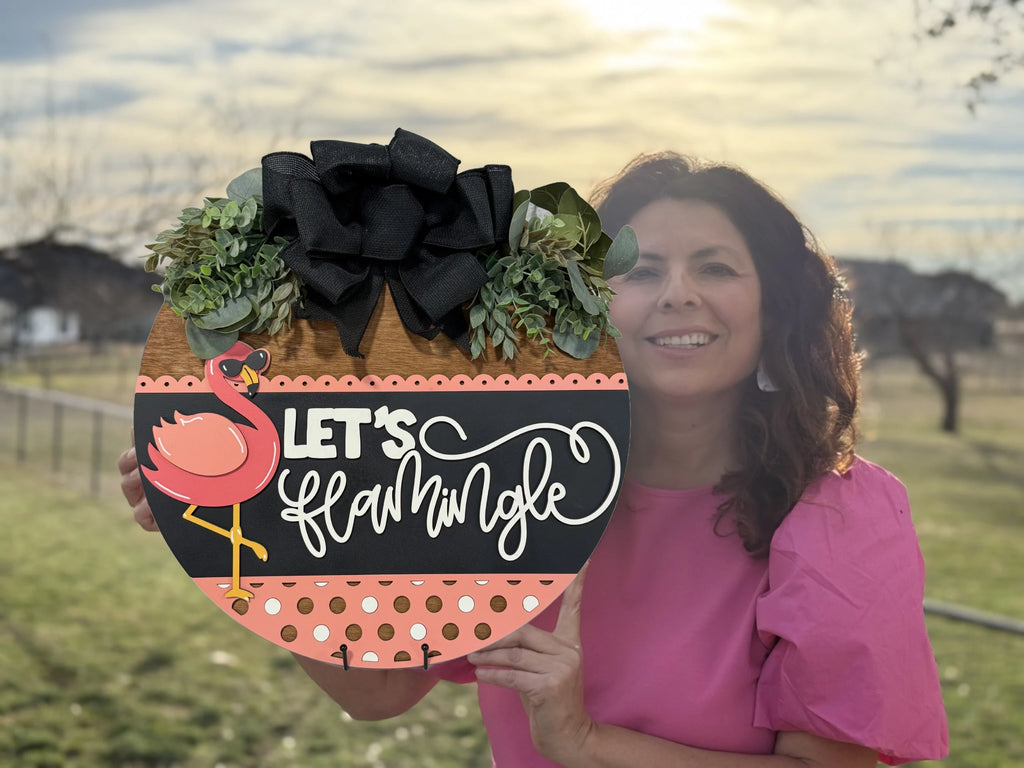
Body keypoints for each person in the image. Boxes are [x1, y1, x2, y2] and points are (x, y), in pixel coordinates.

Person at [119, 152, 949, 767]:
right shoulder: (504, 479)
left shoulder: (841, 516)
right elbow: (378, 690)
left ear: (776, 309)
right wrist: (255, 544)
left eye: (717, 267)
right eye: (642, 271)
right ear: (588, 305)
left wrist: (585, 742)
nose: (678, 294)